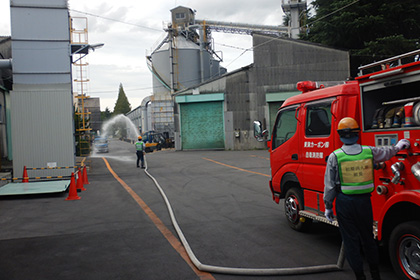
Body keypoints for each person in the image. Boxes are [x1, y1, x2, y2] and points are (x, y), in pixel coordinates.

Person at [323, 117, 410, 280]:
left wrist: (328, 206)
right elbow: (387, 152)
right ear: (357, 133)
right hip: (364, 203)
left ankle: (360, 276)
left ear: (340, 135)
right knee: (368, 239)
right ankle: (375, 274)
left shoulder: (335, 156)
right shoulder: (369, 152)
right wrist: (399, 145)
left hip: (345, 203)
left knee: (350, 241)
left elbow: (329, 186)